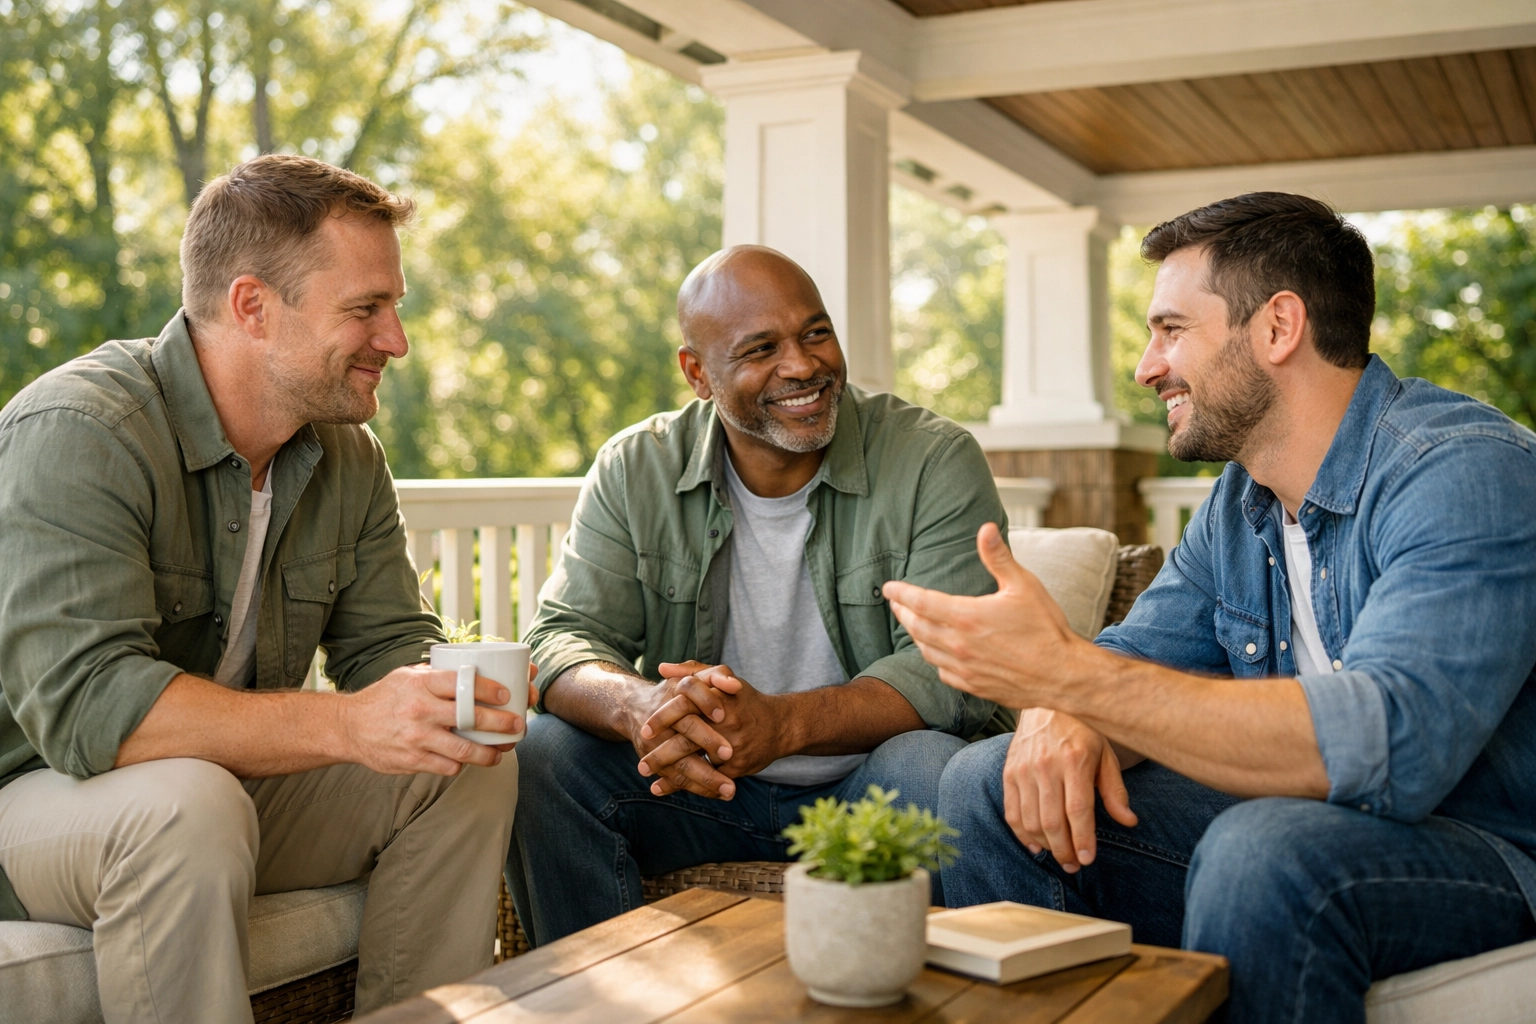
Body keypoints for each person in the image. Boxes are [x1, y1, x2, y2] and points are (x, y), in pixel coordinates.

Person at [887, 193, 1536, 1023]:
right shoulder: (1243, 501)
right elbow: (1138, 654)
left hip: (1488, 848)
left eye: (1171, 330)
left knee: (1264, 851)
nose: (1146, 366)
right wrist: (1068, 706)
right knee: (986, 782)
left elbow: (1390, 742)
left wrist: (1074, 677)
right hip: (1312, 829)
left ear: (1277, 328)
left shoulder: (1462, 471)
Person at [0, 155, 531, 1024]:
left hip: (219, 784)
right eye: (367, 309)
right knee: (186, 803)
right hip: (35, 791)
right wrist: (349, 723)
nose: (396, 340)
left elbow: (386, 644)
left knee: (462, 763)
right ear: (252, 306)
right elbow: (90, 707)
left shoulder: (346, 456)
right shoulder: (82, 430)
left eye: (394, 307)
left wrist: (463, 691)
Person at [507, 245, 1006, 945]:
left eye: (815, 333)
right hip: (700, 793)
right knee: (542, 759)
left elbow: (955, 675)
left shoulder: (932, 460)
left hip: (869, 787)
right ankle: (592, 1002)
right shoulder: (635, 466)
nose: (802, 365)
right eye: (761, 348)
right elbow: (561, 635)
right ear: (698, 374)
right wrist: (640, 708)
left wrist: (783, 726)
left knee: (933, 765)